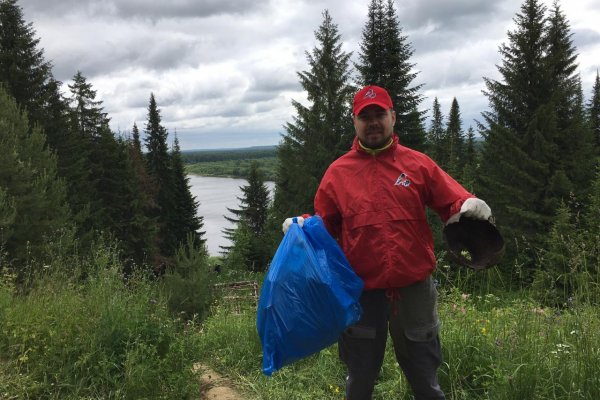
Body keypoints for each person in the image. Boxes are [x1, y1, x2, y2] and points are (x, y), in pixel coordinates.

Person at [282, 85, 493, 400]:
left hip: (414, 287)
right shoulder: (338, 173)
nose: (373, 122)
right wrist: (303, 226)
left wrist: (468, 204)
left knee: (425, 375)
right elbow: (325, 224)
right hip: (362, 290)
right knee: (360, 375)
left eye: (379, 114)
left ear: (392, 117)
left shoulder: (417, 164)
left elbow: (451, 200)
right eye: (364, 116)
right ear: (354, 122)